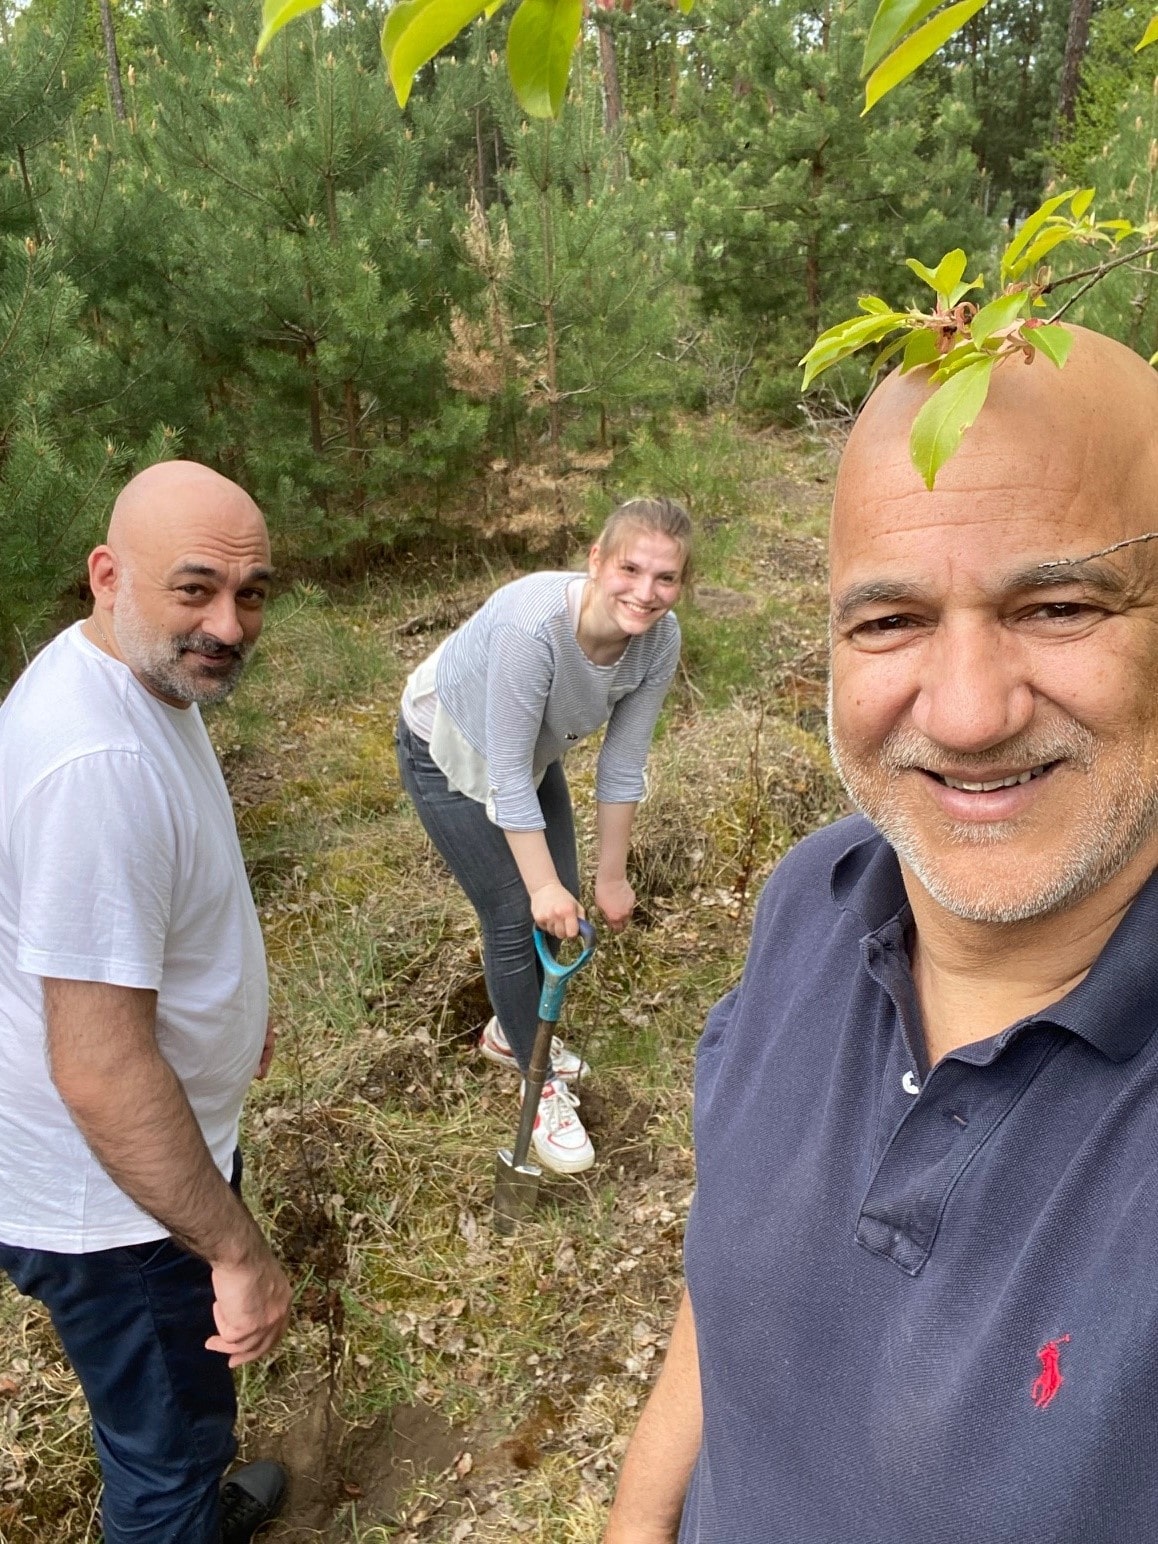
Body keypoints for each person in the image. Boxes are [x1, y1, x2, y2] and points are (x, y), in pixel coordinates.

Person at [604, 326, 1158, 1543]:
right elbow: (734, 1270)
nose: (965, 712)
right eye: (892, 620)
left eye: (1059, 604)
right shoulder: (817, 894)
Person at [0, 461, 293, 1543]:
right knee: (164, 1451)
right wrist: (236, 1252)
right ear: (108, 574)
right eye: (196, 587)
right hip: (116, 1207)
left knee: (172, 1415)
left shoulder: (139, 675)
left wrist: (234, 1008)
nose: (227, 623)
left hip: (136, 1166)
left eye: (252, 591)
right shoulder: (97, 761)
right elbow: (102, 1066)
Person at [395, 498, 690, 1174]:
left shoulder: (659, 639)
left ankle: (512, 1030)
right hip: (449, 746)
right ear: (596, 560)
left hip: (529, 753)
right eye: (630, 568)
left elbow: (621, 764)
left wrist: (611, 877)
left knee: (561, 907)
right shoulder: (534, 627)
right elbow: (501, 774)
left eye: (666, 579)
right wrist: (541, 887)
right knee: (512, 911)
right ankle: (539, 1083)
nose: (646, 593)